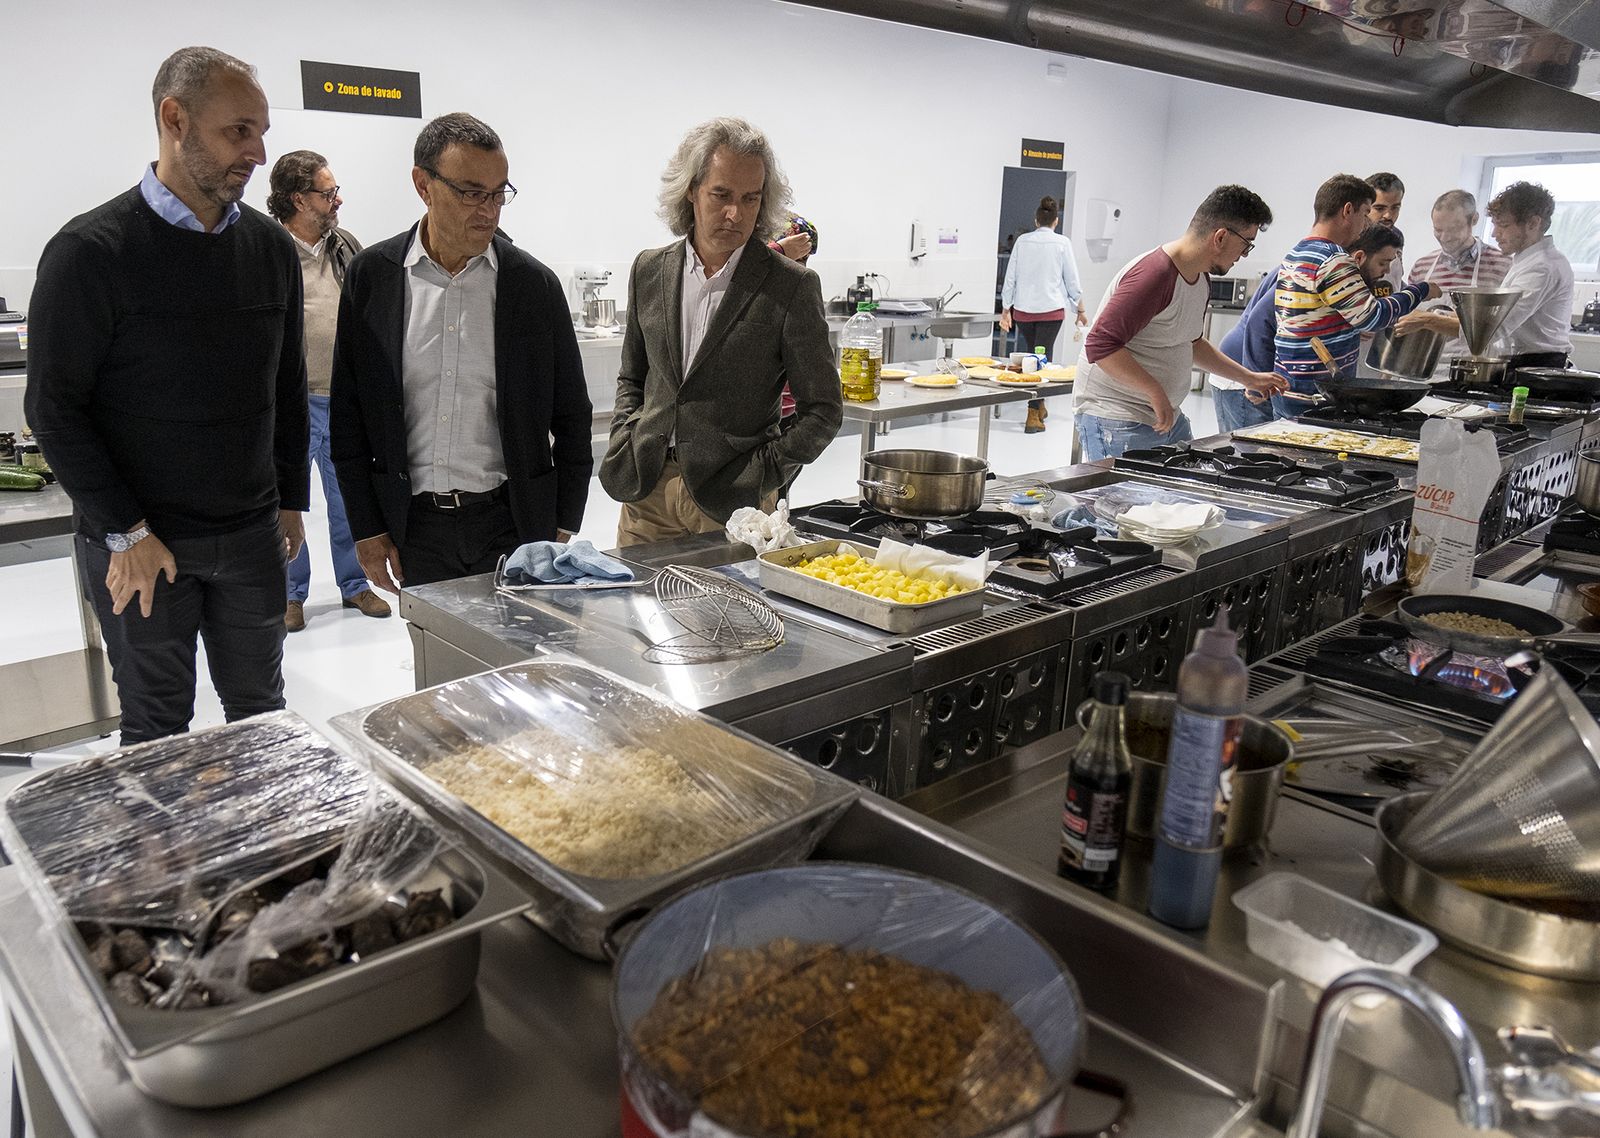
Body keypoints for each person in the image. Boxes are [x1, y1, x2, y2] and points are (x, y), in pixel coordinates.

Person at [25, 46, 308, 744]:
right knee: (156, 729)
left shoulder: (271, 251)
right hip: (145, 545)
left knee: (261, 715)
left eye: (261, 131)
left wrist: (292, 500)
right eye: (239, 131)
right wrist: (126, 530)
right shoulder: (90, 253)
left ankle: (264, 854)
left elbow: (286, 386)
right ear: (173, 118)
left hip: (248, 537)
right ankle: (167, 856)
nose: (259, 152)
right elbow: (54, 410)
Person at [330, 113, 592, 591]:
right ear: (423, 185)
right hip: (416, 526)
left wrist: (563, 519)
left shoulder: (532, 286)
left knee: (522, 661)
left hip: (512, 522)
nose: (489, 210)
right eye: (472, 192)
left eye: (498, 193)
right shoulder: (373, 278)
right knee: (438, 662)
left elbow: (573, 415)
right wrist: (366, 528)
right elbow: (349, 420)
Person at [600, 117, 842, 546]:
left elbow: (823, 409)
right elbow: (633, 377)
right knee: (633, 612)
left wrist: (765, 471)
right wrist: (628, 434)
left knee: (731, 614)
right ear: (692, 190)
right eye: (721, 195)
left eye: (751, 199)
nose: (736, 213)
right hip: (646, 494)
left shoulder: (790, 285)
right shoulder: (649, 269)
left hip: (736, 503)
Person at [265, 150, 390, 631]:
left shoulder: (345, 246)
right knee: (287, 504)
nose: (338, 199)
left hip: (343, 400)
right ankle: (291, 595)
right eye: (328, 192)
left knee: (348, 499)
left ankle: (355, 585)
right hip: (290, 404)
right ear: (298, 199)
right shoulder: (270, 250)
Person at [1072, 185, 1285, 460]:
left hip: (1164, 414)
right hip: (1118, 416)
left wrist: (1249, 378)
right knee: (1119, 503)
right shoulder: (1155, 275)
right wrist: (1154, 390)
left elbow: (1192, 342)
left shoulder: (1199, 277)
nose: (1244, 254)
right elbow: (1100, 346)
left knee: (1183, 493)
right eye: (1246, 243)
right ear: (1220, 236)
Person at [1273, 174, 1438, 414]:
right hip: (1317, 394)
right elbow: (1372, 317)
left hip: (1289, 387)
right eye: (1365, 213)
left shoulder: (1297, 252)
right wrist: (1421, 290)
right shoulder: (1334, 259)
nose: (1366, 225)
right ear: (1348, 210)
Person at [1216, 224, 1406, 431]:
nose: (1385, 270)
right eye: (1382, 263)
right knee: (1251, 453)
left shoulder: (1341, 274)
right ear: (1359, 256)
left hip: (1263, 372)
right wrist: (1254, 380)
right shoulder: (1314, 270)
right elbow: (1259, 322)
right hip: (1242, 367)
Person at [1000, 195, 1086, 434]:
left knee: (1033, 357)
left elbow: (1011, 277)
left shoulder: (1022, 242)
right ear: (1055, 222)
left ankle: (1039, 406)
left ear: (1036, 220)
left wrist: (1006, 309)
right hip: (1051, 312)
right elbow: (1072, 280)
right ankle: (1032, 413)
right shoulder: (1062, 243)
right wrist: (1080, 309)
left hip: (1025, 312)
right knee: (1040, 358)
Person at [1393, 190, 1512, 353]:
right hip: (1424, 368)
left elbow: (1501, 327)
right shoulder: (1422, 267)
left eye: (1453, 229)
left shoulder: (1502, 265)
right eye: (1438, 230)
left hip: (1474, 367)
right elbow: (1408, 321)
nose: (1445, 237)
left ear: (1474, 219)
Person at [1484, 181, 1574, 370]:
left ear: (1533, 223)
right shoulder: (1526, 260)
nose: (1494, 234)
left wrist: (1430, 321)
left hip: (1538, 367)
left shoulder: (1543, 266)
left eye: (1503, 225)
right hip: (1524, 363)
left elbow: (1495, 327)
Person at [1366, 172, 1408, 290]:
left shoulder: (1397, 236)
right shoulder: (1351, 239)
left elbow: (1395, 281)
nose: (1388, 216)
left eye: (1395, 208)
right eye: (1379, 208)